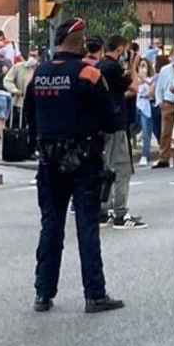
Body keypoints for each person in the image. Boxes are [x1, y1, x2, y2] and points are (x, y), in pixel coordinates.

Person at [25, 18, 124, 314]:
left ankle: (43, 293)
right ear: (79, 40)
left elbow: (29, 115)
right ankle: (94, 294)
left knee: (51, 225)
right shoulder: (88, 74)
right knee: (87, 226)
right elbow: (110, 120)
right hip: (84, 161)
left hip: (49, 160)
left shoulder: (39, 73)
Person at [96, 36, 146, 229]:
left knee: (106, 167)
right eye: (125, 50)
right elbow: (134, 86)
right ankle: (120, 213)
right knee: (122, 168)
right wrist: (133, 65)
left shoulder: (99, 66)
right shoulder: (113, 68)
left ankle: (103, 209)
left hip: (102, 123)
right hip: (116, 125)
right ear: (119, 50)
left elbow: (115, 93)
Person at [3, 48, 38, 128]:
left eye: (34, 56)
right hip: (20, 103)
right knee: (18, 126)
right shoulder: (19, 67)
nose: (32, 58)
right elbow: (7, 80)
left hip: (35, 103)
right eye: (30, 55)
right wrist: (15, 90)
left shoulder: (41, 68)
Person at [135, 57, 156, 167]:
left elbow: (151, 93)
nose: (142, 68)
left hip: (146, 106)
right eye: (140, 66)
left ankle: (145, 155)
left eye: (144, 66)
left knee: (147, 132)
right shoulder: (135, 79)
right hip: (136, 106)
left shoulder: (152, 79)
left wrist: (144, 80)